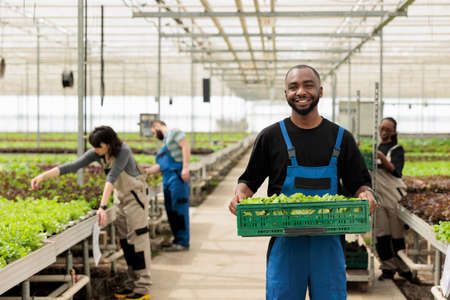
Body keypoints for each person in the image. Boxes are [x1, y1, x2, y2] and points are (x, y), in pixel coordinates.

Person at [228, 65, 377, 300]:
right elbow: (248, 180)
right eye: (293, 87)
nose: (300, 91)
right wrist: (240, 195)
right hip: (285, 243)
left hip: (329, 243)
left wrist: (366, 194)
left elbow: (360, 184)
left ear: (320, 90)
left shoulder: (341, 137)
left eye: (308, 85)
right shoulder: (270, 137)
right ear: (285, 93)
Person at [31, 126, 151, 300]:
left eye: (98, 146)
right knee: (126, 242)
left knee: (137, 242)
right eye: (94, 147)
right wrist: (43, 176)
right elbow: (73, 166)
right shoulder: (98, 152)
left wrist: (102, 207)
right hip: (121, 199)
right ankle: (132, 284)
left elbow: (112, 177)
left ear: (109, 144)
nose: (95, 150)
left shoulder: (123, 151)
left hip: (135, 199)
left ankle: (143, 288)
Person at [374, 117, 419, 283]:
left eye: (388, 129)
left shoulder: (396, 149)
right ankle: (387, 268)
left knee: (397, 234)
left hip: (393, 197)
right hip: (379, 196)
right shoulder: (376, 147)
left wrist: (381, 157)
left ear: (393, 132)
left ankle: (404, 269)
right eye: (382, 128)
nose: (384, 132)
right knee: (382, 233)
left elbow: (396, 171)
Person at [145, 120, 190, 252]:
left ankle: (183, 242)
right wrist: (145, 171)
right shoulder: (166, 143)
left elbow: (185, 146)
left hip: (177, 178)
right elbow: (161, 166)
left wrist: (185, 168)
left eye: (154, 132)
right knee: (171, 210)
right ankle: (177, 240)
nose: (155, 136)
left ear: (157, 126)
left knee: (179, 209)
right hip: (168, 180)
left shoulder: (174, 132)